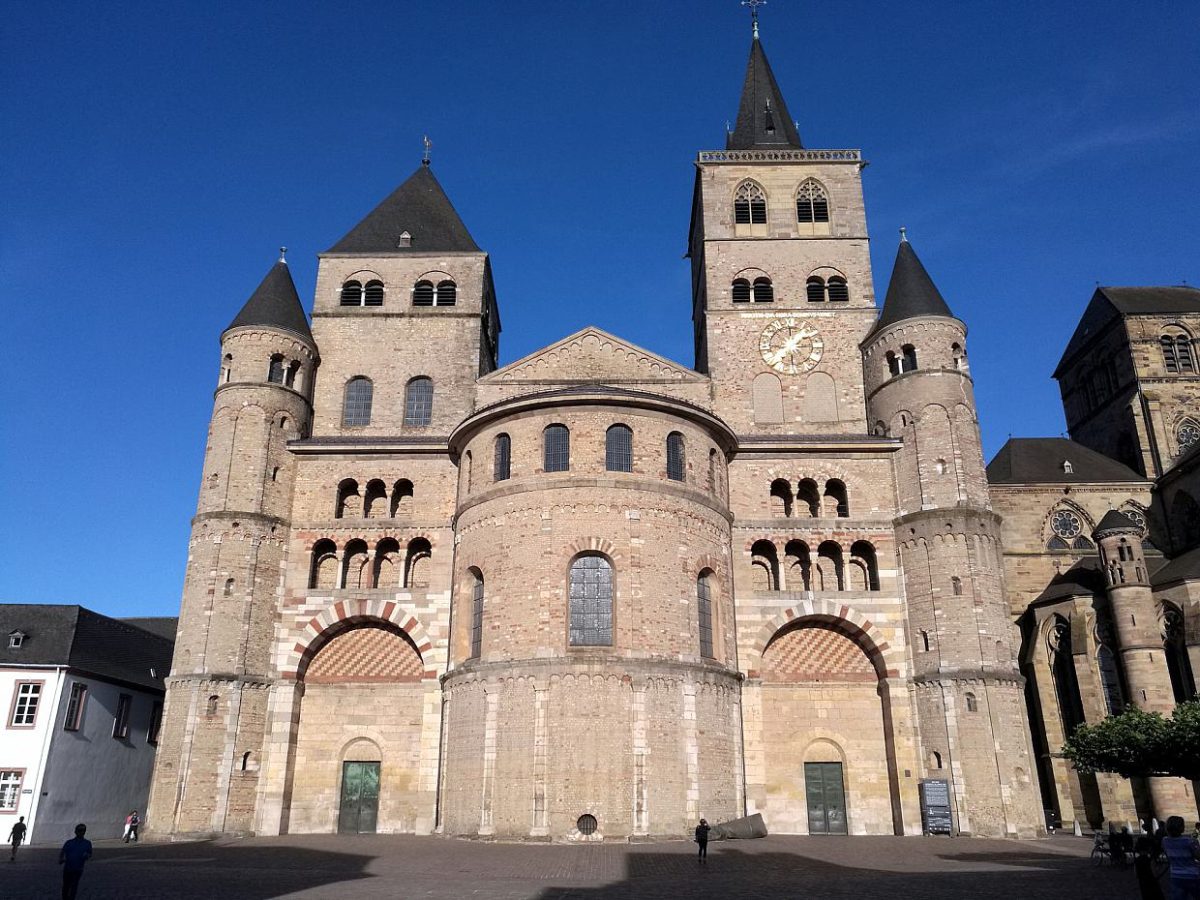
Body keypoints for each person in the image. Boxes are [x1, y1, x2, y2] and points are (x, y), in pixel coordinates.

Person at [1162, 816, 1200, 900]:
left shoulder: (1164, 841)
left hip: (1175, 875)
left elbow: (1168, 856)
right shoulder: (1190, 841)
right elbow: (1198, 856)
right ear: (1181, 827)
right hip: (1192, 875)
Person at [59, 823, 92, 900]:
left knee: (73, 886)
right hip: (68, 868)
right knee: (66, 886)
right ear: (76, 831)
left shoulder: (87, 843)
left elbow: (90, 854)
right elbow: (62, 852)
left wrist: (87, 856)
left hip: (78, 869)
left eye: (83, 830)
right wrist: (61, 859)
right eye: (80, 830)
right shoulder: (69, 843)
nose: (81, 832)